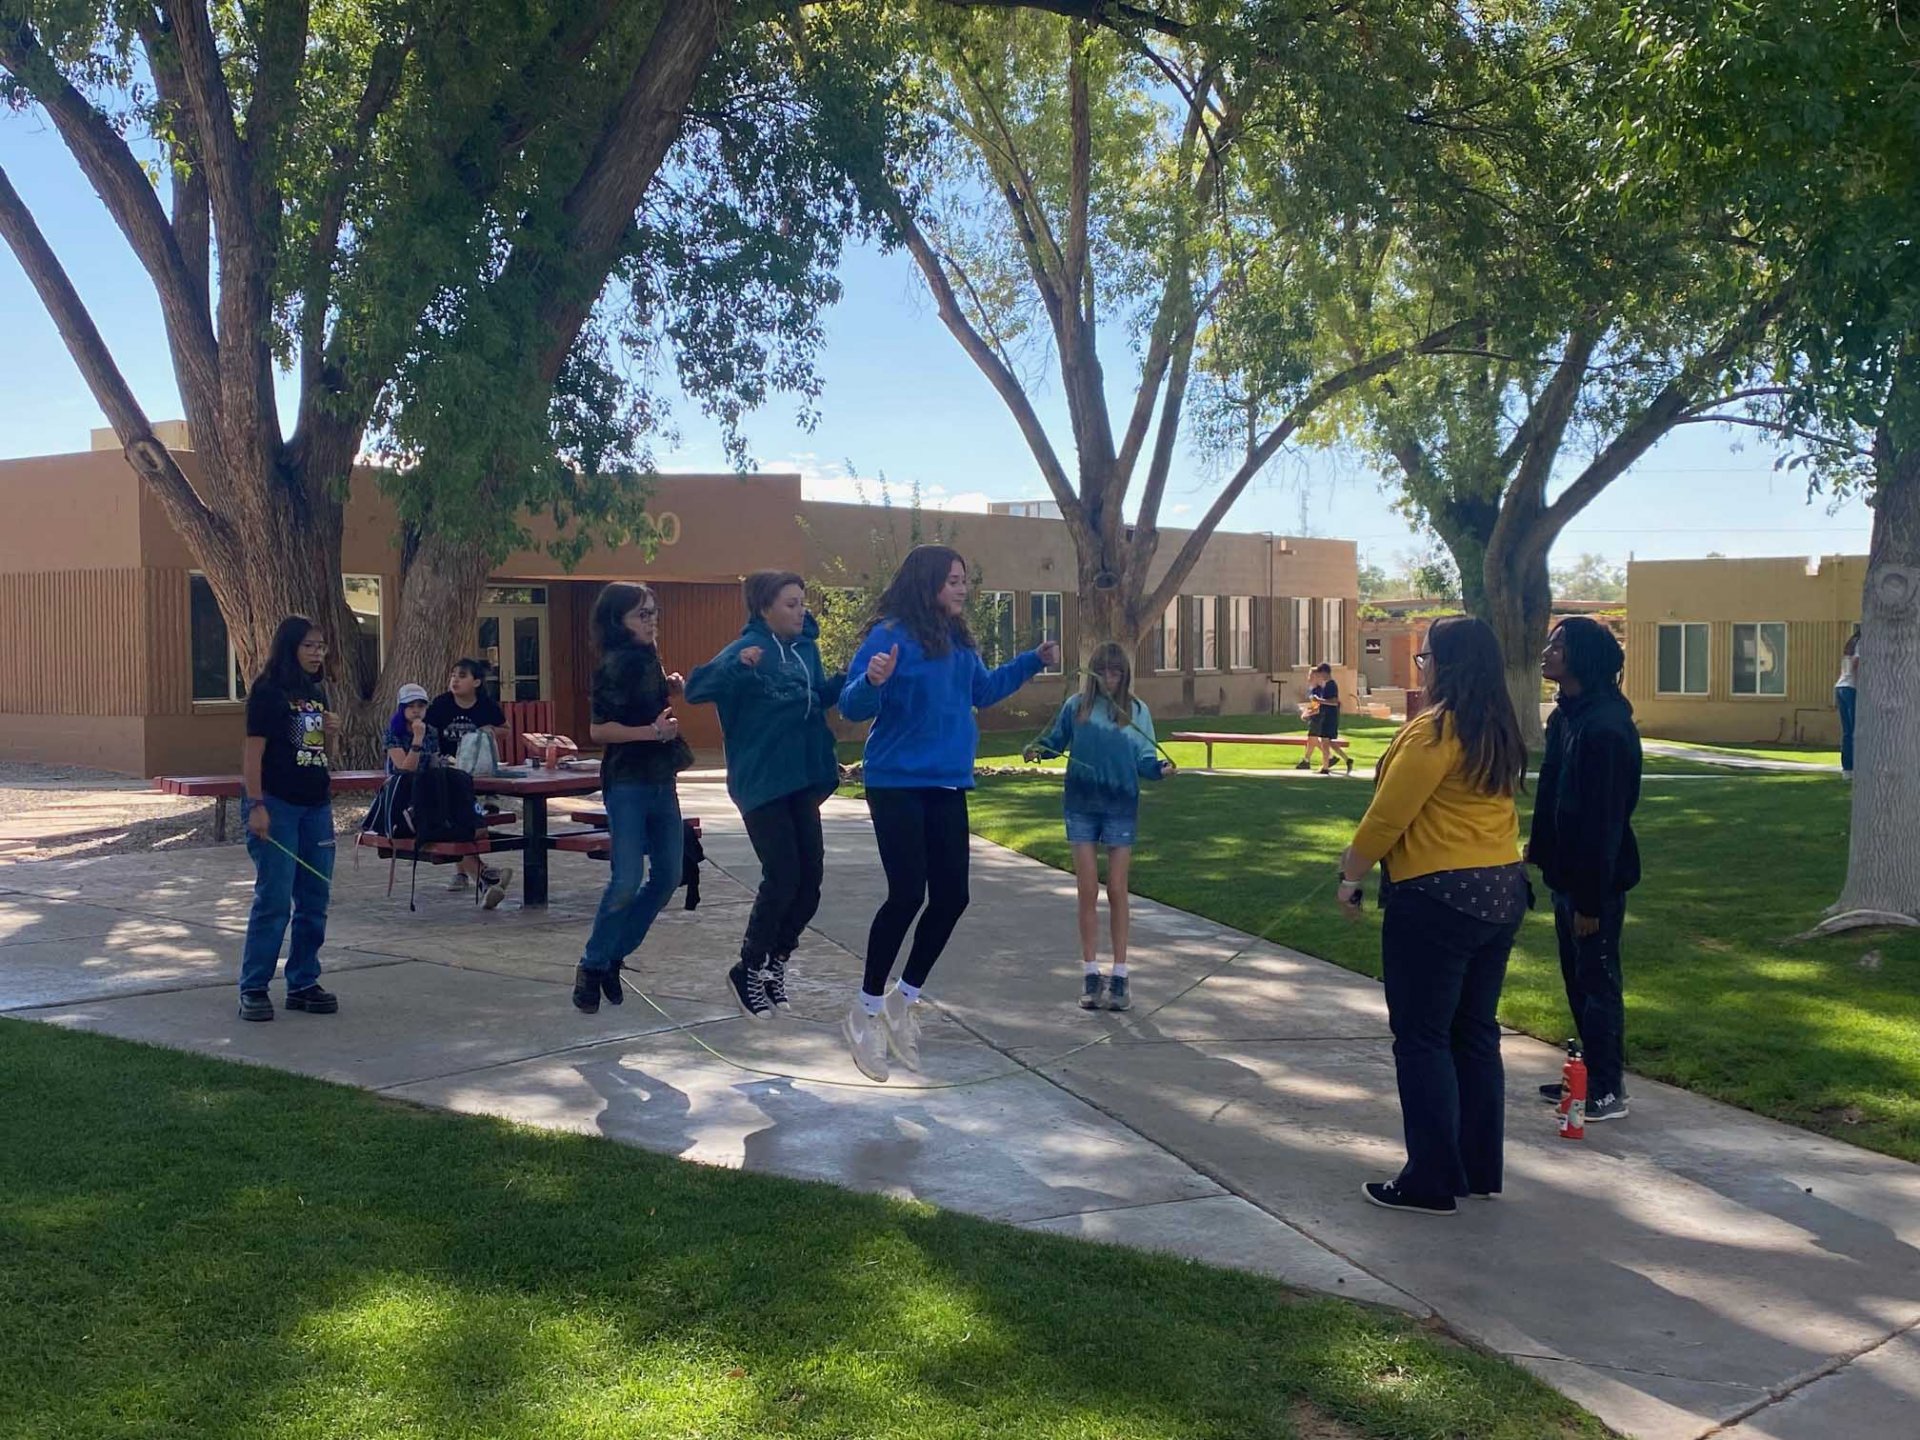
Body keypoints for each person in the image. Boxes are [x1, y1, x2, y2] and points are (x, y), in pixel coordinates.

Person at [838, 545, 1060, 1081]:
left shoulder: (958, 640)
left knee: (953, 896)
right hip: (895, 782)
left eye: (965, 580)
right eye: (954, 580)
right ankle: (864, 1013)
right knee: (908, 893)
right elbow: (850, 706)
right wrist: (872, 680)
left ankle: (902, 998)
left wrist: (1033, 661)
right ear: (927, 582)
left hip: (945, 782)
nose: (963, 589)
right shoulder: (889, 635)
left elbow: (981, 692)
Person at [1337, 615, 1528, 1216]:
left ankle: (1430, 1179)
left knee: (1422, 1038)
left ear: (1445, 665)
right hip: (1500, 893)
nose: (1422, 668)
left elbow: (1388, 817)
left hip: (1438, 897)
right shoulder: (1495, 728)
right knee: (1473, 1033)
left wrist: (1350, 875)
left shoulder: (1435, 734)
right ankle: (1476, 1168)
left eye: (1425, 659)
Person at [685, 570, 845, 1021]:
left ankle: (775, 963)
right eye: (791, 604)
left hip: (801, 779)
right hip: (760, 782)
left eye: (802, 602)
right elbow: (697, 689)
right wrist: (739, 667)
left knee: (809, 882)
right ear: (764, 609)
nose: (801, 611)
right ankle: (748, 968)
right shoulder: (745, 649)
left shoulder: (806, 651)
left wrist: (856, 679)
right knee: (782, 876)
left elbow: (817, 698)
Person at [1530, 617, 1642, 1124]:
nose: (1548, 651)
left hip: (1594, 881)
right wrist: (1539, 847)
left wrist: (1592, 902)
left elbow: (1605, 821)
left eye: (1558, 645)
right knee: (1578, 979)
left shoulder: (1607, 726)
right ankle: (1586, 1075)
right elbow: (1553, 791)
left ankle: (1606, 1088)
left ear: (1583, 659)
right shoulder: (1566, 717)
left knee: (1598, 982)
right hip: (1565, 874)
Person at [1024, 641, 1175, 1011]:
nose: (1109, 678)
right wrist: (1037, 749)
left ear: (1125, 675)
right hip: (1080, 805)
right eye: (1103, 671)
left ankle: (1120, 975)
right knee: (1087, 889)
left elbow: (1145, 758)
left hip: (1121, 806)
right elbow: (1055, 741)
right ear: (1093, 673)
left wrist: (1159, 770)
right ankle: (1091, 972)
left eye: (1116, 672)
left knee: (1118, 889)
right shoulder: (1077, 707)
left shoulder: (1136, 711)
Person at [573, 583, 689, 1014]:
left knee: (668, 875)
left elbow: (647, 702)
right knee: (625, 880)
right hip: (627, 782)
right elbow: (599, 732)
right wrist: (651, 732)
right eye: (642, 614)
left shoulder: (649, 658)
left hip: (662, 778)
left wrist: (669, 688)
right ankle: (592, 964)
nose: (652, 620)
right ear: (617, 622)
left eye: (654, 612)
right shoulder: (613, 665)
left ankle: (611, 956)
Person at [238, 616, 342, 1022]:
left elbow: (313, 749)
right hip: (277, 805)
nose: (318, 654)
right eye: (310, 646)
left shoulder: (315, 692)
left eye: (322, 647)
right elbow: (252, 754)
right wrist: (256, 804)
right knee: (275, 899)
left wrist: (332, 730)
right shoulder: (268, 693)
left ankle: (303, 981)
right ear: (290, 648)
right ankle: (254, 987)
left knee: (314, 899)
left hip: (316, 805)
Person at [380, 683, 511, 910]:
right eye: (410, 706)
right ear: (401, 709)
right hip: (402, 799)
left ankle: (484, 877)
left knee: (454, 819)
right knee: (444, 825)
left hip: (429, 792)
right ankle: (486, 875)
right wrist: (417, 741)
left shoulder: (431, 731)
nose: (416, 710)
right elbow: (405, 768)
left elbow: (433, 763)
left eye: (421, 705)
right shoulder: (394, 732)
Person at [425, 660, 512, 896]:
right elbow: (426, 732)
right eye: (452, 675)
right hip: (447, 774)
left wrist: (490, 730)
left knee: (467, 819)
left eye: (461, 676)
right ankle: (480, 875)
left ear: (476, 681)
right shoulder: (441, 705)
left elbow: (506, 729)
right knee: (461, 815)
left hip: (478, 771)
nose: (454, 680)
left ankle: (473, 874)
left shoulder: (485, 706)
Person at [1298, 663, 1346, 775]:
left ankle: (1322, 762)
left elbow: (1321, 705)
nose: (1308, 678)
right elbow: (1314, 705)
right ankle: (1313, 761)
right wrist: (1307, 711)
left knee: (1316, 739)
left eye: (1311, 676)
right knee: (1315, 740)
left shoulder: (1323, 688)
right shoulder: (1315, 689)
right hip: (1318, 717)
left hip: (1320, 718)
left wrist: (1308, 713)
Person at [1835, 626, 1860, 779]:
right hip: (1851, 688)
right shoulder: (1863, 643)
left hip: (1840, 687)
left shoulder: (1850, 644)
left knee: (1847, 732)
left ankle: (1847, 769)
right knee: (1855, 730)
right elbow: (1857, 662)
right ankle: (1854, 767)